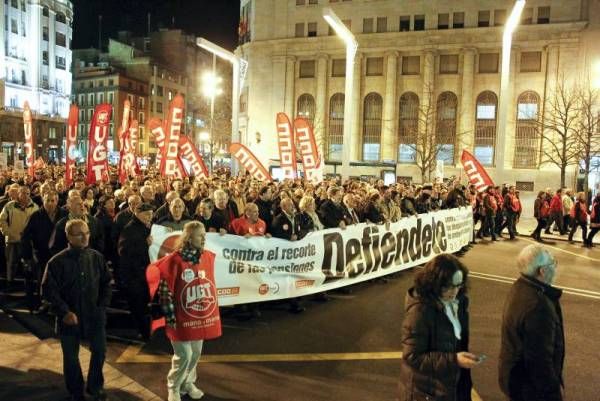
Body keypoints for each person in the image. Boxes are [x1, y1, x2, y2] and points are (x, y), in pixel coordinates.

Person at [146, 221, 222, 401]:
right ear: (188, 238)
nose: (204, 238)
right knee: (184, 354)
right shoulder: (173, 261)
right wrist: (170, 317)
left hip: (199, 316)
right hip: (179, 317)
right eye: (199, 235)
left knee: (195, 354)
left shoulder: (207, 257)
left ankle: (188, 383)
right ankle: (173, 386)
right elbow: (165, 292)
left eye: (204, 234)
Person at [41, 219, 112, 401]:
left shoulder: (96, 257)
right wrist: (64, 312)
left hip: (94, 315)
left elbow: (106, 284)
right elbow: (48, 291)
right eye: (79, 234)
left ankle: (95, 386)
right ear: (68, 237)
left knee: (100, 351)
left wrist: (102, 307)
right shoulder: (56, 262)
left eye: (87, 232)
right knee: (71, 358)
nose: (84, 237)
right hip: (69, 318)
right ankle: (76, 391)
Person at [397, 254, 477, 401]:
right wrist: (454, 360)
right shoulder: (420, 312)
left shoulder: (459, 302)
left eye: (459, 285)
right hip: (426, 391)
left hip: (451, 385)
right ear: (434, 283)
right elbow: (412, 356)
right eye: (448, 286)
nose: (454, 291)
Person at [498, 245, 564, 401]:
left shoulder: (520, 287)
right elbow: (539, 360)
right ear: (542, 271)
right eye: (552, 263)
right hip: (530, 389)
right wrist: (553, 393)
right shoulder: (538, 306)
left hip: (514, 377)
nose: (555, 268)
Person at [21, 191, 67, 311]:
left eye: (53, 200)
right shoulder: (35, 216)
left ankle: (57, 303)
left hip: (60, 254)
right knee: (43, 279)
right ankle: (44, 301)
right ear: (43, 200)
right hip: (41, 254)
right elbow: (26, 236)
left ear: (57, 201)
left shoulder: (64, 214)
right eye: (48, 200)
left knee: (59, 280)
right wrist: (27, 257)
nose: (51, 203)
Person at [118, 203, 154, 340]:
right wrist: (144, 244)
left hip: (142, 273)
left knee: (143, 303)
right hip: (134, 275)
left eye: (151, 214)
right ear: (137, 213)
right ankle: (143, 332)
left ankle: (144, 330)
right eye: (146, 214)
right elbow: (124, 251)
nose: (149, 217)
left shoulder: (144, 226)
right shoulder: (130, 229)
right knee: (138, 304)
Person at [0, 186, 39, 285]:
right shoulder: (9, 206)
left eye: (27, 193)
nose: (25, 195)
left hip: (27, 241)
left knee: (27, 264)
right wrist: (6, 231)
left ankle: (27, 285)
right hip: (12, 240)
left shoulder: (34, 207)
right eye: (23, 193)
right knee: (11, 262)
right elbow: (2, 219)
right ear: (18, 193)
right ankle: (10, 282)